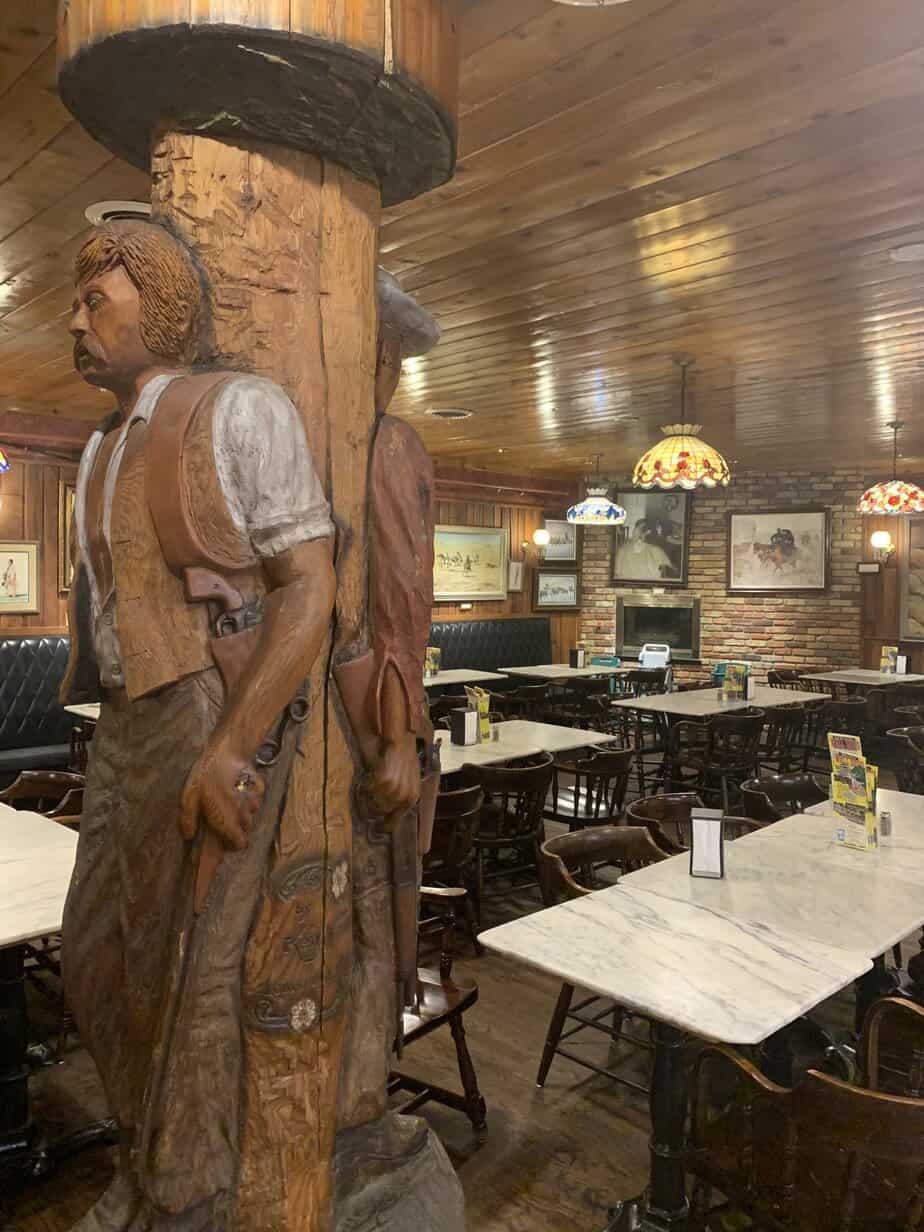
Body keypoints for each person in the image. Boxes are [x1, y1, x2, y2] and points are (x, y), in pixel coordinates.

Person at [61, 219, 340, 1232]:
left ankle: (181, 1194)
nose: (76, 319)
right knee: (96, 955)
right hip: (127, 716)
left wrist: (232, 744)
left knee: (193, 967)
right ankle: (146, 1157)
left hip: (210, 705)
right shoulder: (97, 445)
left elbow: (310, 587)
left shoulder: (241, 409)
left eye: (99, 297)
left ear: (164, 300)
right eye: (77, 302)